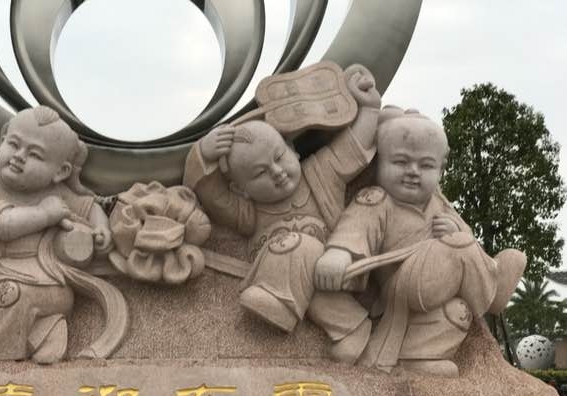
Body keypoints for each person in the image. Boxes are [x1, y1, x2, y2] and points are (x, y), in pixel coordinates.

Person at [183, 65, 381, 354]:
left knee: (303, 249)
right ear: (241, 189)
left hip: (337, 267)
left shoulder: (320, 174)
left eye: (279, 157)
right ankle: (351, 327)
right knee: (305, 270)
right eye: (260, 173)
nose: (276, 172)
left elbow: (353, 147)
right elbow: (211, 196)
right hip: (309, 281)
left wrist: (370, 107)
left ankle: (280, 301)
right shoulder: (249, 212)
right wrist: (202, 154)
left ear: (292, 149)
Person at [314, 109, 526, 376]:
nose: (413, 172)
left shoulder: (439, 204)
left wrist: (455, 229)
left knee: (457, 311)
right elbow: (354, 230)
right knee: (461, 244)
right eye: (401, 162)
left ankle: (418, 357)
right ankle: (492, 291)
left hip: (433, 290)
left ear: (441, 169)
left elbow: (464, 233)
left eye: (425, 166)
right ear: (380, 162)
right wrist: (338, 254)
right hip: (401, 283)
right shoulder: (377, 200)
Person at [0, 106, 113, 365]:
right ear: (2, 140)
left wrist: (102, 228)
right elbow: (1, 225)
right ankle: (44, 331)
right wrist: (44, 215)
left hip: (46, 284)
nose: (19, 156)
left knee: (10, 294)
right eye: (14, 144)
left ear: (60, 172)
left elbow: (89, 207)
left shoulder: (57, 192)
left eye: (35, 154)